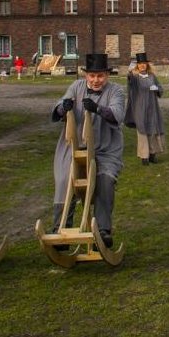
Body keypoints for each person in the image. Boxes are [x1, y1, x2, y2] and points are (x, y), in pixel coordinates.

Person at [50, 53, 125, 248]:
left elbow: (117, 114)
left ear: (106, 76)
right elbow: (58, 105)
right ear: (86, 76)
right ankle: (61, 225)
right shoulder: (76, 87)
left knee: (105, 178)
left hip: (105, 148)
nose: (96, 80)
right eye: (92, 76)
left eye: (100, 76)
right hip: (74, 146)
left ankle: (103, 229)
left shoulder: (116, 90)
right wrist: (62, 108)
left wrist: (98, 108)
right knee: (65, 178)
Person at [125, 52, 166, 165]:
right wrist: (129, 73)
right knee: (142, 131)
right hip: (140, 107)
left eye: (144, 64)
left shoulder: (152, 76)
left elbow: (161, 89)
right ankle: (144, 156)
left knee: (152, 129)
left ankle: (153, 154)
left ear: (147, 65)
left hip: (152, 107)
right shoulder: (135, 77)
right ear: (137, 66)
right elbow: (130, 82)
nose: (142, 66)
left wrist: (156, 88)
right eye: (140, 64)